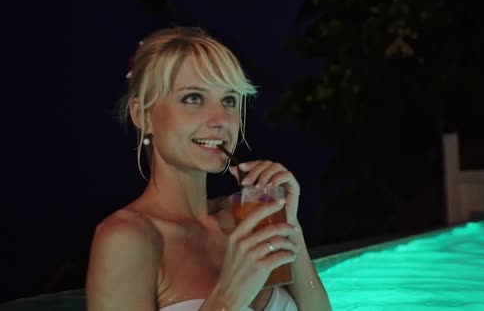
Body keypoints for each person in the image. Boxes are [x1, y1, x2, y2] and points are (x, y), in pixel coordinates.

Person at [85, 27, 332, 311]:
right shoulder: (126, 240)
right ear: (143, 116)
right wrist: (230, 294)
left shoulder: (247, 218)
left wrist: (291, 226)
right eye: (193, 98)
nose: (220, 119)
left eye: (229, 100)